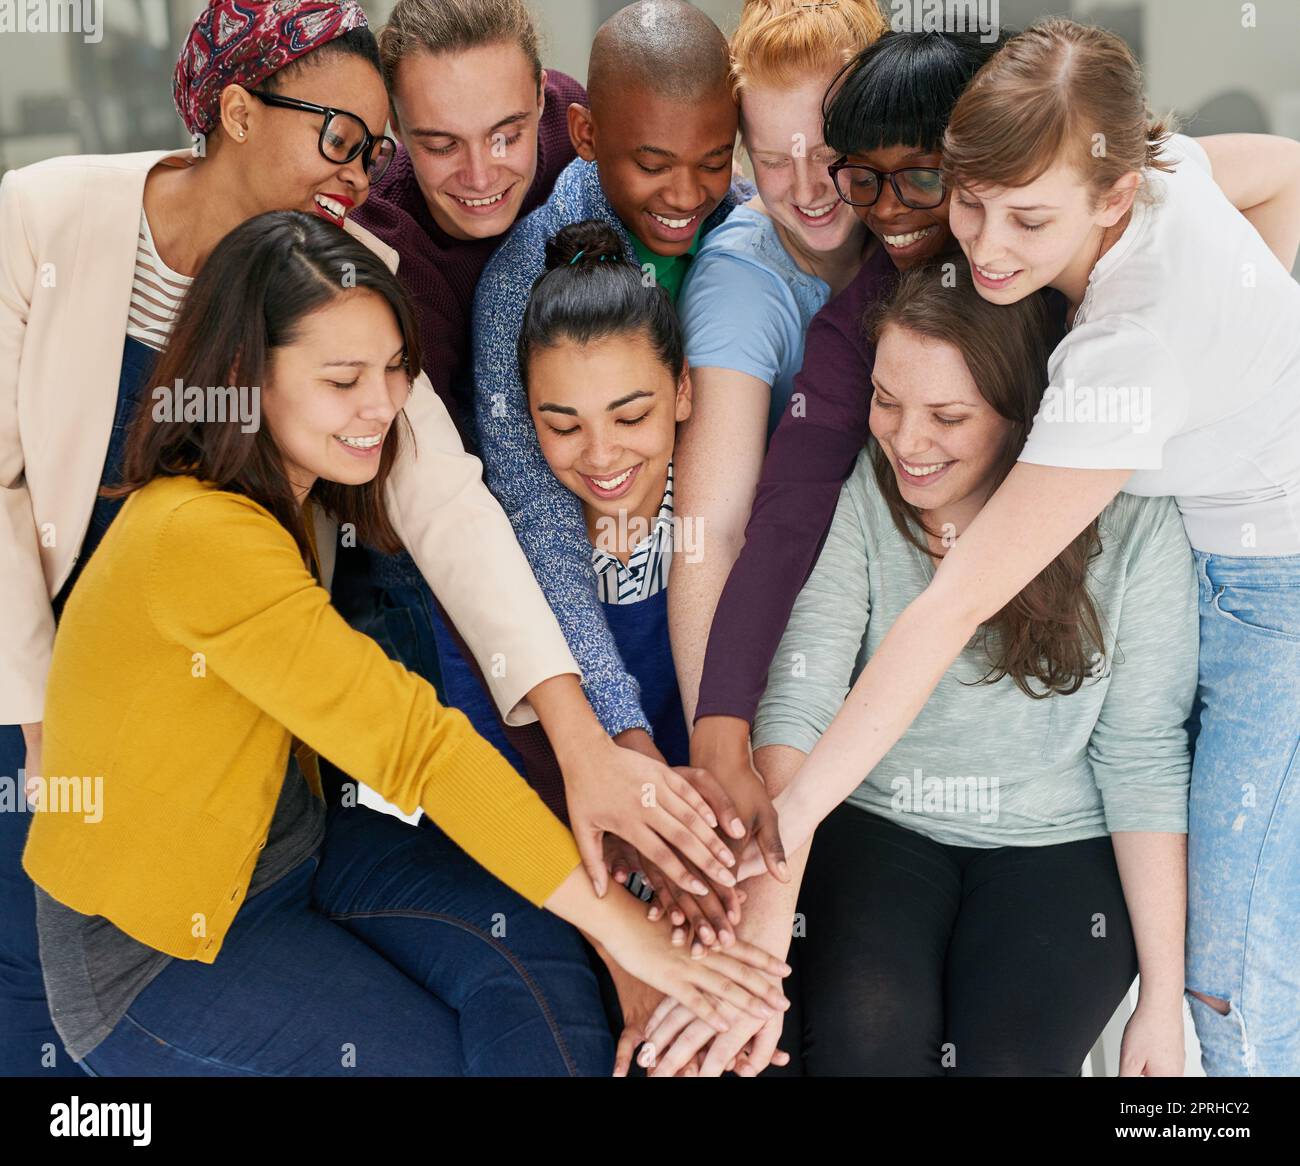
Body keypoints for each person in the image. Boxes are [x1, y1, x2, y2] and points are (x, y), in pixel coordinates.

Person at [0, 0, 735, 1078]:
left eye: (373, 147)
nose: (359, 170)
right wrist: (36, 718)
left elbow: (447, 496)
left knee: (516, 978)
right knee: (43, 1005)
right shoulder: (48, 219)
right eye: (339, 137)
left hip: (265, 769)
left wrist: (587, 744)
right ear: (238, 112)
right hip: (40, 682)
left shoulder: (337, 268)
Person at [737, 17, 1300, 1078]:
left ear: (1112, 197)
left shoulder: (1122, 355)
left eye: (1028, 219)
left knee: (1234, 991)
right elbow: (1284, 174)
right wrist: (1243, 365)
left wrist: (794, 817)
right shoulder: (1156, 160)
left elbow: (950, 609)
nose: (987, 247)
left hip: (1278, 589)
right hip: (1227, 550)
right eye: (971, 201)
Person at [643, 263, 1197, 1075]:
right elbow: (802, 694)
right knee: (866, 1040)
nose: (905, 441)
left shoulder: (1137, 522)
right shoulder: (869, 487)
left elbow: (1143, 758)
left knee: (1003, 1061)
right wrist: (760, 936)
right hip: (879, 820)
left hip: (1055, 841)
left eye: (947, 416)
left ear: (1021, 415)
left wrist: (1162, 998)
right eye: (886, 402)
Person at [682, 30, 1010, 877]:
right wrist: (720, 726)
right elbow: (784, 510)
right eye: (864, 177)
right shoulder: (857, 317)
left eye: (922, 178)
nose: (891, 211)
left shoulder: (1051, 247)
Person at [470, 0, 772, 811]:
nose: (687, 193)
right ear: (585, 133)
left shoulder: (750, 236)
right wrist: (621, 733)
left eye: (714, 158)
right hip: (613, 644)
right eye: (653, 162)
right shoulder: (518, 285)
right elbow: (536, 514)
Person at [671, 0, 884, 730]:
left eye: (828, 153)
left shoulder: (923, 211)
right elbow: (713, 531)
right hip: (795, 614)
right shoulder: (740, 284)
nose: (805, 187)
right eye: (770, 160)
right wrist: (716, 738)